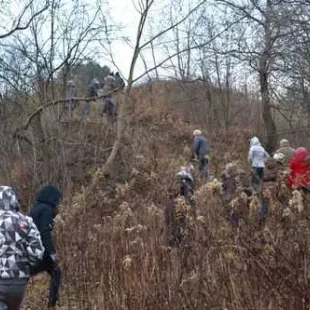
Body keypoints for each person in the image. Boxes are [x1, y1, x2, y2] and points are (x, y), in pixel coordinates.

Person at [0, 186, 44, 310]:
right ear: (14, 200)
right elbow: (37, 253)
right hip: (18, 283)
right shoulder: (26, 221)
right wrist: (25, 264)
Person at [29, 186, 62, 308]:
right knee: (56, 271)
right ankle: (52, 304)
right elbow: (45, 233)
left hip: (30, 250)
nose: (59, 204)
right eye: (58, 200)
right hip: (40, 251)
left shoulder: (36, 209)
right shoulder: (47, 210)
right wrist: (52, 253)